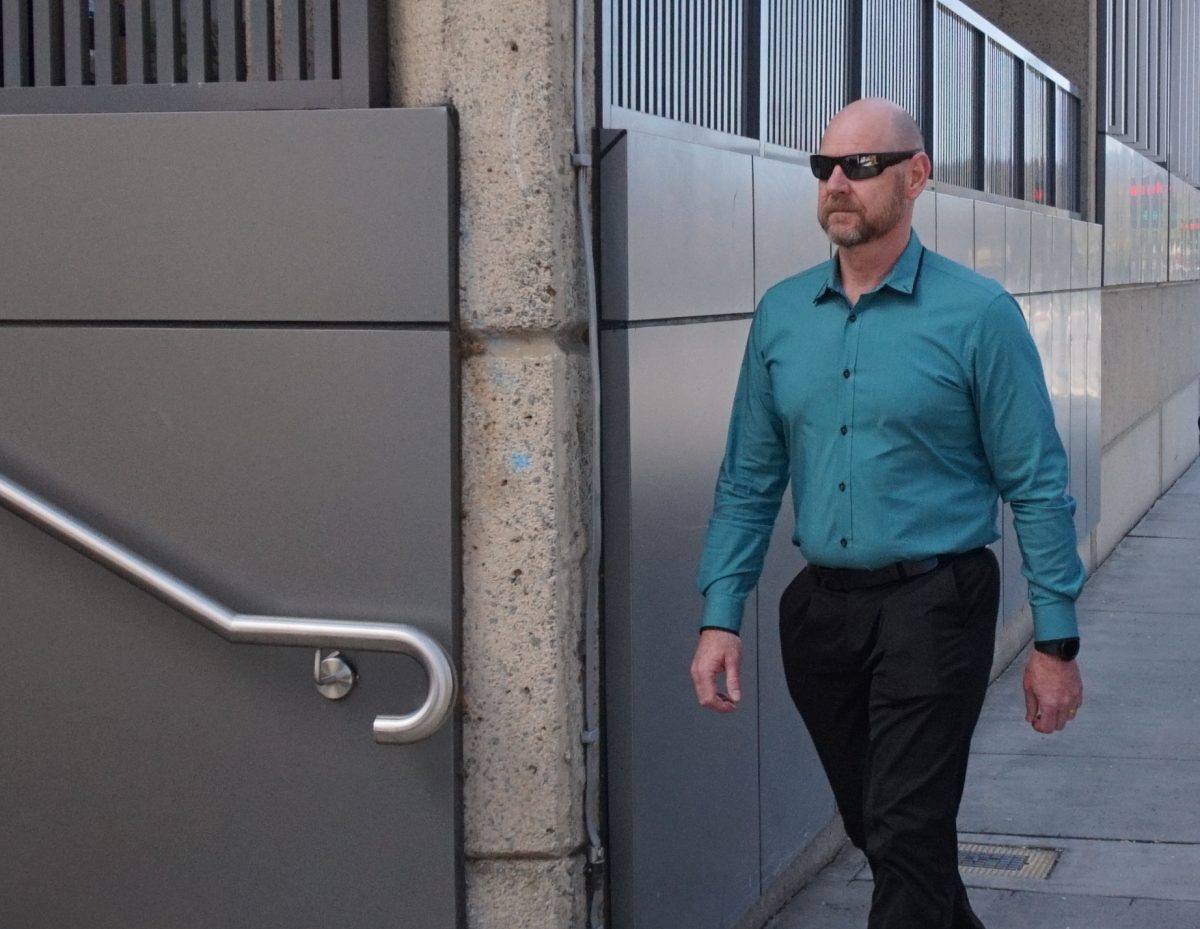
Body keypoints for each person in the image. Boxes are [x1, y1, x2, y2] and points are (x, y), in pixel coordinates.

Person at [688, 98, 1086, 929]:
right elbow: (749, 478)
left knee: (906, 832)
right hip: (822, 614)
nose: (838, 183)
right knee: (889, 831)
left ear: (916, 176)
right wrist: (720, 615)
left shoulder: (978, 316)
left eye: (861, 167)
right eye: (824, 167)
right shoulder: (782, 314)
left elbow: (1038, 483)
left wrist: (1054, 640)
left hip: (935, 605)